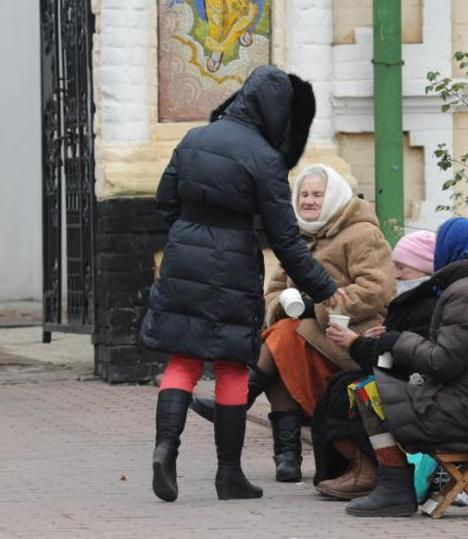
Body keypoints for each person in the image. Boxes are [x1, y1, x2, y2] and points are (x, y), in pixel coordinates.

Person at [139, 66, 344, 503]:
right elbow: (285, 239)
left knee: (184, 359)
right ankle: (229, 474)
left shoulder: (195, 138)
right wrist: (323, 287)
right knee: (232, 366)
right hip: (231, 265)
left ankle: (165, 447)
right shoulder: (265, 159)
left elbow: (164, 200)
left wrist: (187, 236)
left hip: (182, 258)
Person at [190, 163, 396, 483]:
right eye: (303, 194)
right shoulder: (296, 237)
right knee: (283, 340)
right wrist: (282, 305)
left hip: (350, 335)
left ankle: (239, 407)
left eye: (317, 195)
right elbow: (272, 291)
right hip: (306, 333)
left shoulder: (362, 234)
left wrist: (320, 305)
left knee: (282, 340)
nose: (309, 201)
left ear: (334, 197)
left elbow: (376, 290)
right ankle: (286, 459)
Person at [331, 217, 468, 517]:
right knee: (369, 388)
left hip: (466, 410)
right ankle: (393, 485)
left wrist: (397, 341)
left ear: (450, 250)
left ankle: (395, 487)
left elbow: (443, 362)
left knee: (369, 392)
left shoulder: (467, 293)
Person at [317, 230, 438, 501]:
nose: (395, 274)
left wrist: (355, 344)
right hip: (403, 377)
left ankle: (369, 469)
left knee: (356, 387)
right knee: (340, 383)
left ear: (423, 268)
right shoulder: (408, 303)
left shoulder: (427, 305)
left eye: (402, 267)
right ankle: (355, 465)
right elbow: (389, 357)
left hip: (416, 387)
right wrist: (370, 342)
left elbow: (403, 358)